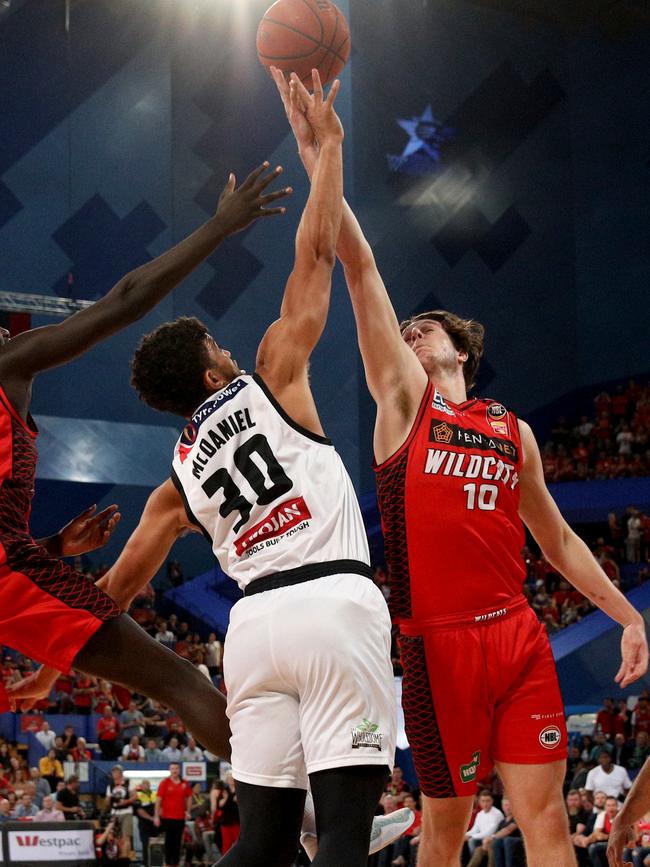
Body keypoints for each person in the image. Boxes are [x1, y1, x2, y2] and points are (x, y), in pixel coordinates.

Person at [270, 66, 649, 867]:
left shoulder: (512, 429)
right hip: (435, 647)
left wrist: (626, 614)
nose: (408, 333)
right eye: (402, 331)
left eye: (423, 327)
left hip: (516, 634)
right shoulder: (408, 406)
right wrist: (322, 159)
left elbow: (558, 541)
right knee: (444, 828)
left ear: (462, 348)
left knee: (543, 817)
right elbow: (362, 269)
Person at [96, 71, 398, 867]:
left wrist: (44, 661)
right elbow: (317, 251)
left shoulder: (175, 478)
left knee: (262, 841)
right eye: (217, 351)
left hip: (252, 631)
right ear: (210, 373)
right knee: (340, 833)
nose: (230, 352)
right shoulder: (271, 374)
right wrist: (326, 149)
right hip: (332, 601)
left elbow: (117, 592)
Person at [0, 160, 290, 763]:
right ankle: (320, 814)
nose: (11, 336)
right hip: (11, 577)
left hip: (16, 569)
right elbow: (125, 301)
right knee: (182, 682)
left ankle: (310, 820)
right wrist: (217, 230)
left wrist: (52, 548)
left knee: (178, 683)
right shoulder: (8, 369)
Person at [154, 763, 192, 867]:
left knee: (178, 842)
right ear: (170, 770)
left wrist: (188, 811)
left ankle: (175, 863)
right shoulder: (164, 783)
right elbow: (158, 800)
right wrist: (156, 816)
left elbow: (189, 797)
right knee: (168, 841)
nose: (174, 770)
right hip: (167, 817)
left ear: (179, 770)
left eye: (176, 768)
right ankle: (167, 863)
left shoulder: (185, 783)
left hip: (180, 818)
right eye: (172, 768)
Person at [135, 780, 157, 867]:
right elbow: (140, 811)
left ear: (150, 785)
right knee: (145, 844)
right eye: (144, 784)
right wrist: (151, 818)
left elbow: (159, 806)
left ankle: (155, 863)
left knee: (156, 845)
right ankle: (146, 864)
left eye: (147, 784)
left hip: (155, 825)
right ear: (141, 786)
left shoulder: (154, 795)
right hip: (144, 824)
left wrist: (157, 817)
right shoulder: (138, 796)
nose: (146, 786)